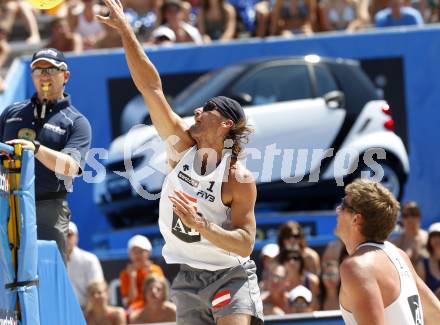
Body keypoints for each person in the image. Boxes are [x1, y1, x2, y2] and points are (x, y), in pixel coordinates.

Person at [97, 1, 264, 324]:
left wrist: (203, 226)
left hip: (229, 273)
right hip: (188, 277)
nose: (197, 112)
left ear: (226, 123)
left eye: (207, 108)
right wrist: (126, 31)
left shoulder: (236, 179)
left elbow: (245, 244)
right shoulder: (180, 148)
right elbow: (151, 87)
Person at [0, 48, 92, 261]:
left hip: (48, 209)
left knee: (47, 277)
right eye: (38, 69)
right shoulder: (11, 113)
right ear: (32, 75)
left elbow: (71, 167)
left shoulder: (76, 122)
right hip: (6, 204)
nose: (44, 75)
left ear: (65, 76)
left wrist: (37, 149)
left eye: (51, 69)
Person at [336, 179, 440, 325]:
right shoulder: (398, 255)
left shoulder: (357, 267)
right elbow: (435, 313)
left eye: (343, 205)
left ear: (356, 219)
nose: (337, 209)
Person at [66, 221, 105, 309]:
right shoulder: (53, 262)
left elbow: (97, 290)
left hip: (88, 311)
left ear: (76, 237)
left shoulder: (90, 259)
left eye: (69, 234)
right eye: (62, 235)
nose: (65, 238)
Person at [119, 234, 164, 309]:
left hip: (155, 307)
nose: (137, 255)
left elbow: (160, 296)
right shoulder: (125, 274)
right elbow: (131, 300)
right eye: (134, 252)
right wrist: (132, 278)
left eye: (141, 251)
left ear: (149, 253)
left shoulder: (156, 270)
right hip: (136, 309)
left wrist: (149, 274)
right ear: (130, 255)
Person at [393, 201, 428, 266]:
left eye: (413, 214)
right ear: (401, 219)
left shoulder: (429, 238)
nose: (410, 218)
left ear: (419, 216)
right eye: (405, 215)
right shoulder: (396, 243)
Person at [416, 222, 440, 299]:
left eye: (439, 236)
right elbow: (420, 292)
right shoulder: (423, 263)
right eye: (433, 236)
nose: (437, 239)